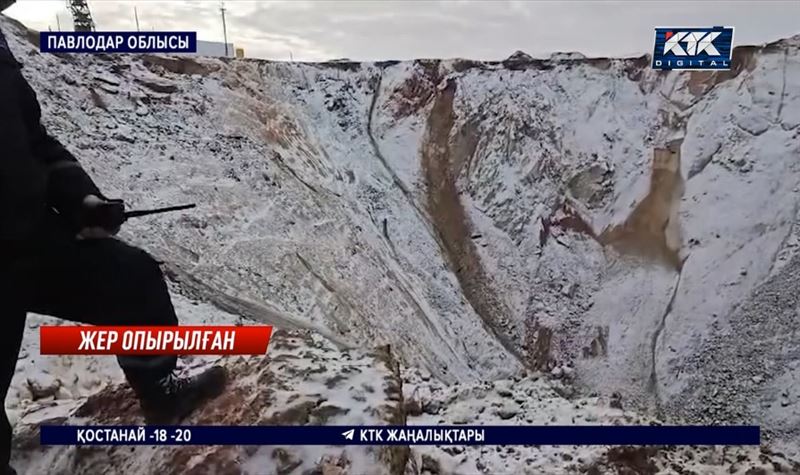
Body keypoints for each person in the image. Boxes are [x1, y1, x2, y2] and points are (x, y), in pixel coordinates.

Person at [0, 7, 227, 474]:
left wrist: (82, 199)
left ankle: (160, 395)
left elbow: (36, 141)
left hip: (25, 237)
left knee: (131, 278)